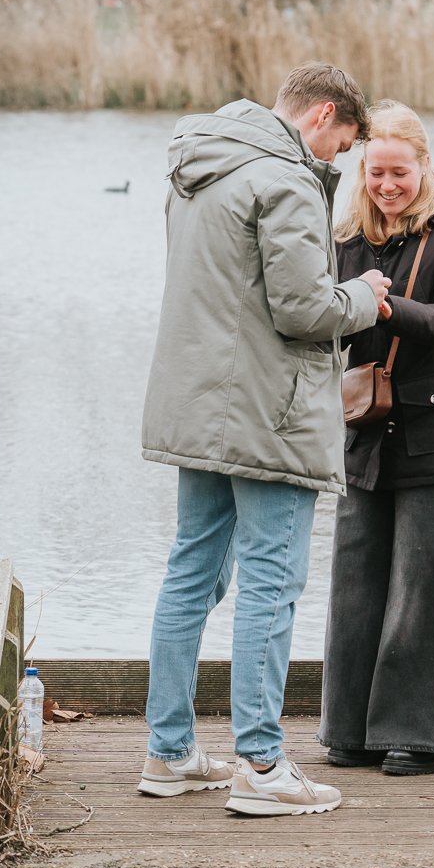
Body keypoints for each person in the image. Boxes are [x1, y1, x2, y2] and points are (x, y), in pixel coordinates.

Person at [139, 63, 391, 816]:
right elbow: (301, 308)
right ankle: (261, 764)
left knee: (192, 572)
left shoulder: (199, 164)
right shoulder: (283, 179)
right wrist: (365, 297)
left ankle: (170, 750)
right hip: (267, 411)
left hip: (199, 402)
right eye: (340, 146)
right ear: (320, 116)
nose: (335, 162)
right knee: (271, 584)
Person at [318, 100, 434, 777]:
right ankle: (351, 732)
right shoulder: (346, 234)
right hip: (364, 432)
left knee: (427, 583)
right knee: (357, 581)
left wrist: (382, 304)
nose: (387, 185)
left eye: (399, 172)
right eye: (376, 173)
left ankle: (421, 738)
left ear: (424, 166)